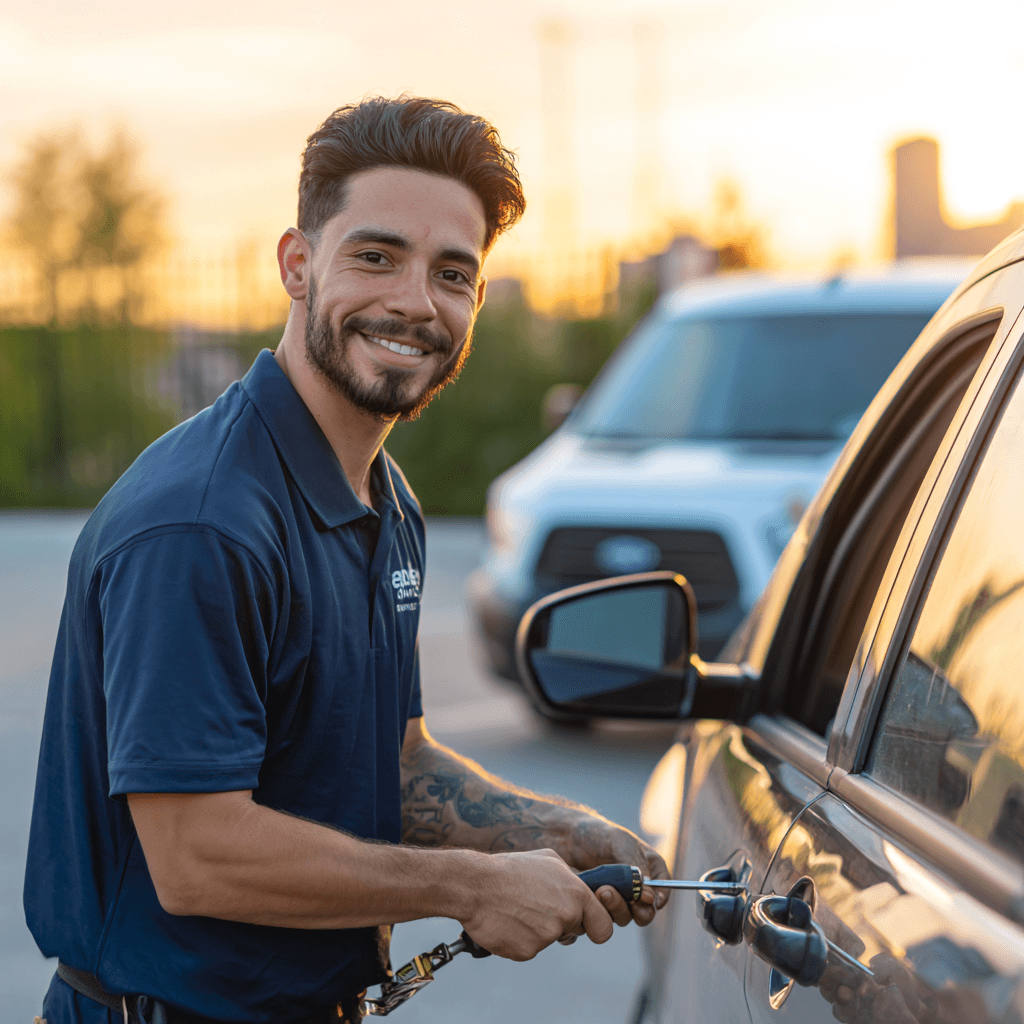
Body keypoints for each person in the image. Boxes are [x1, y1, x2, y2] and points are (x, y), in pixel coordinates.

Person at [25, 96, 669, 1024]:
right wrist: (473, 887)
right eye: (376, 256)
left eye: (452, 273)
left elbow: (392, 765)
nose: (414, 301)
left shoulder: (384, 499)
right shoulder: (203, 523)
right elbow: (196, 854)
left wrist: (556, 829)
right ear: (297, 264)